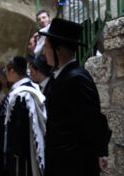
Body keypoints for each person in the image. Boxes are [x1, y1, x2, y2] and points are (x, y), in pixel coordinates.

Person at [39, 18, 111, 176]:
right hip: (62, 162)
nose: (44, 53)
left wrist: (100, 152)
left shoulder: (75, 79)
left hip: (73, 165)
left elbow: (91, 122)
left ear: (58, 50)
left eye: (46, 47)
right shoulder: (62, 76)